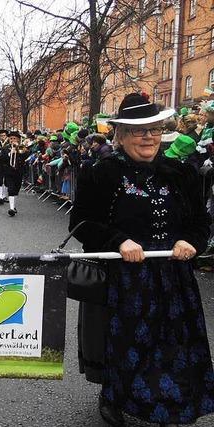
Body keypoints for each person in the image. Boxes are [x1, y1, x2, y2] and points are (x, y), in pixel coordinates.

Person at [69, 93, 214, 426]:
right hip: (125, 279)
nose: (148, 137)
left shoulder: (181, 173)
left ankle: (171, 401)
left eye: (154, 129)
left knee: (173, 344)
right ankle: (114, 398)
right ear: (120, 135)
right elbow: (80, 221)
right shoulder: (101, 172)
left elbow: (200, 222)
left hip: (174, 277)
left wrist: (189, 241)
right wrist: (118, 241)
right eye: (138, 131)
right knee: (125, 343)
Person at [2, 131, 30, 217]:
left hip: (19, 171)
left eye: (14, 138)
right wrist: (10, 153)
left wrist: (19, 150)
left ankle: (13, 206)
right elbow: (2, 158)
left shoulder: (22, 148)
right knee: (10, 189)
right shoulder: (5, 148)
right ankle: (11, 208)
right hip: (9, 171)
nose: (12, 140)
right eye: (11, 138)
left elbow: (26, 156)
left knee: (16, 189)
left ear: (18, 139)